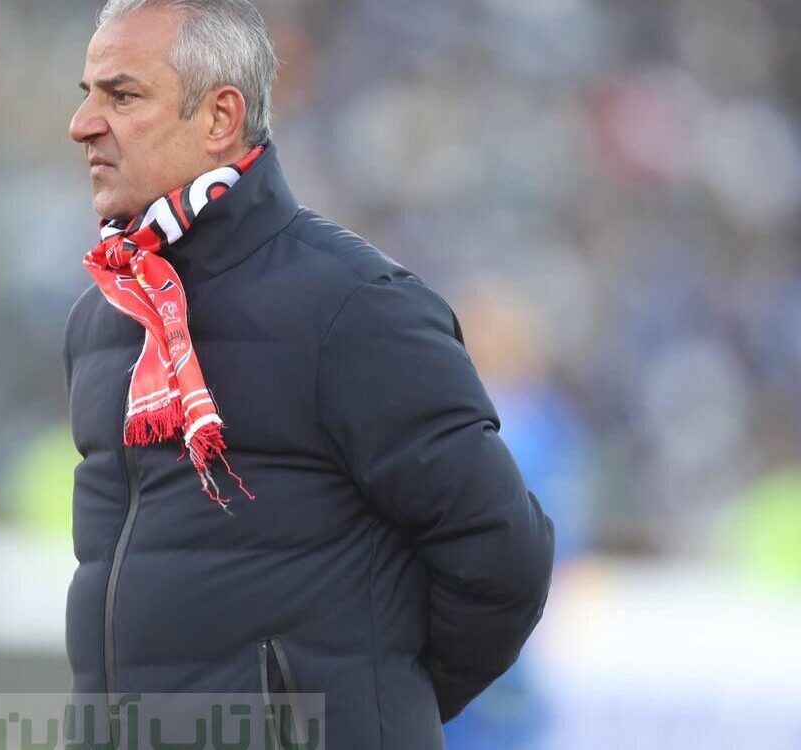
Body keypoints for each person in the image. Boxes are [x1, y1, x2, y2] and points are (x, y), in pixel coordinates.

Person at [61, 1, 555, 747]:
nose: (83, 124)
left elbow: (504, 558)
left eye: (122, 96)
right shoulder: (103, 321)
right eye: (88, 95)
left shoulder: (353, 307)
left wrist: (376, 703)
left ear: (220, 117)